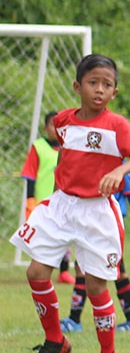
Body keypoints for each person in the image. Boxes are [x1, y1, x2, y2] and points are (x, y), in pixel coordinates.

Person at [9, 54, 130, 353]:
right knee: (37, 272)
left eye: (106, 85)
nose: (99, 90)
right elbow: (64, 152)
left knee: (98, 286)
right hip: (62, 205)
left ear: (114, 92)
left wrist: (119, 170)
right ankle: (56, 341)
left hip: (98, 212)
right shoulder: (63, 122)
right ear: (78, 86)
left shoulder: (117, 125)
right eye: (93, 83)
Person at [61, 173, 130, 333]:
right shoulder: (96, 163)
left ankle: (75, 320)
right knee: (89, 268)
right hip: (92, 224)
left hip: (108, 226)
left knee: (104, 270)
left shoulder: (119, 168)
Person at [18, 111, 75, 284]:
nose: (55, 129)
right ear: (45, 128)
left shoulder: (70, 148)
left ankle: (64, 272)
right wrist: (30, 200)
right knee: (42, 238)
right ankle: (40, 268)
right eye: (52, 125)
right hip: (42, 203)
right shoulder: (39, 147)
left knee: (65, 236)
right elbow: (30, 174)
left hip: (64, 201)